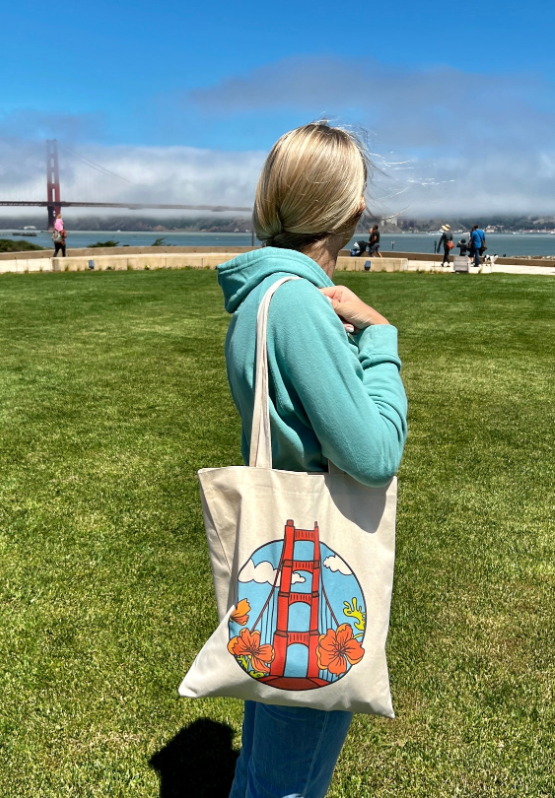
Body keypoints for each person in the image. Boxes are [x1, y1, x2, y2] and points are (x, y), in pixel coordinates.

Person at [217, 122, 408, 798]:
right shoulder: (299, 306)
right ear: (352, 213)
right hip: (317, 565)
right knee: (287, 782)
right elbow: (373, 452)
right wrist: (380, 338)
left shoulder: (261, 298)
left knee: (268, 760)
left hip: (279, 560)